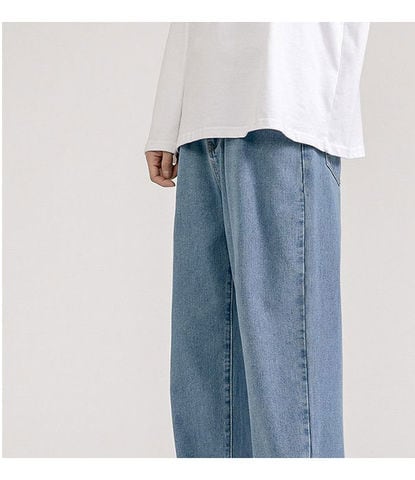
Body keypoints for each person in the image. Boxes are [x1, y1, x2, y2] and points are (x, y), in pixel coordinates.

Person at [144, 22, 369, 458]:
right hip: (201, 123)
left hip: (285, 108)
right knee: (204, 389)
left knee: (287, 388)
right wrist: (167, 118)